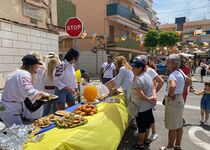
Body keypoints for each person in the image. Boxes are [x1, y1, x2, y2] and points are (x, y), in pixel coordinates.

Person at [0, 54, 47, 125]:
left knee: (11, 130)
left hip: (4, 106)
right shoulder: (25, 74)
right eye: (36, 67)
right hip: (10, 109)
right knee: (16, 132)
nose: (36, 69)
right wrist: (41, 94)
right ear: (32, 66)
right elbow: (29, 92)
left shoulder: (14, 73)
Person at [160, 54, 192, 150]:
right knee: (178, 124)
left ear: (174, 64)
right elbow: (189, 80)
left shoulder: (173, 74)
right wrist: (181, 89)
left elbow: (172, 86)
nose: (166, 64)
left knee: (172, 126)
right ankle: (177, 145)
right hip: (180, 99)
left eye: (168, 62)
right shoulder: (180, 71)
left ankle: (170, 147)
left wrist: (170, 95)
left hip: (173, 101)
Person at [135, 55, 164, 141]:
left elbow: (161, 82)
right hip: (143, 99)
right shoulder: (139, 71)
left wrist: (153, 94)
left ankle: (154, 133)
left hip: (147, 99)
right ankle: (144, 135)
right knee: (146, 117)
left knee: (149, 116)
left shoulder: (150, 70)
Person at [130, 59, 156, 150]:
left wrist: (149, 99)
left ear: (140, 68)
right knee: (147, 125)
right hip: (148, 106)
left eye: (134, 68)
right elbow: (153, 86)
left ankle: (140, 143)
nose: (132, 69)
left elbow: (140, 95)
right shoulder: (147, 75)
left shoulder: (138, 79)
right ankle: (145, 140)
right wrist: (151, 99)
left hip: (140, 107)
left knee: (141, 126)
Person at [24, 51, 46, 120]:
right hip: (39, 94)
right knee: (38, 117)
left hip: (30, 94)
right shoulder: (43, 68)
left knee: (30, 115)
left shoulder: (28, 69)